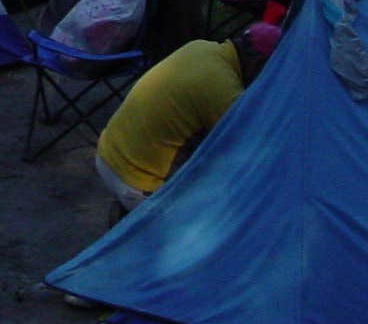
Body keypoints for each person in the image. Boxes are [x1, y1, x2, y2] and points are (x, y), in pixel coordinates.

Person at [94, 21, 281, 213]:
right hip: (138, 183)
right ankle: (143, 223)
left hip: (106, 154)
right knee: (235, 200)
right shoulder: (224, 90)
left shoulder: (199, 46)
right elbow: (250, 152)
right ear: (257, 63)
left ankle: (128, 213)